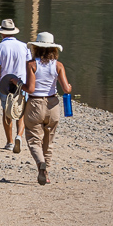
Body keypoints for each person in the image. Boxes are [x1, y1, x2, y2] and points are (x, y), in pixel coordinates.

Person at [24, 31, 72, 186]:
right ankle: (47, 172)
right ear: (53, 49)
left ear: (36, 48)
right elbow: (66, 89)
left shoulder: (32, 64)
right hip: (52, 105)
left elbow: (30, 89)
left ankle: (40, 164)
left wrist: (18, 83)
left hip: (35, 104)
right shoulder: (58, 65)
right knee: (49, 140)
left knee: (33, 139)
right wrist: (69, 87)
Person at [0, 18, 31, 153]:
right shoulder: (25, 46)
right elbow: (30, 67)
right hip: (22, 83)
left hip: (4, 85)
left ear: (2, 33)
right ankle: (19, 136)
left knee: (7, 113)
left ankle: (9, 142)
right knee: (21, 112)